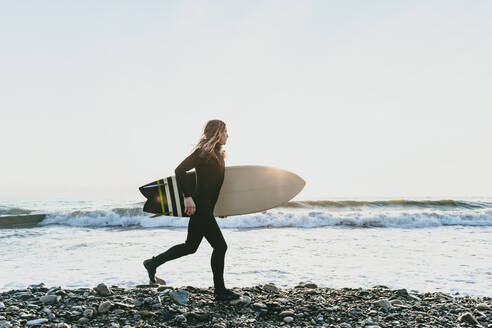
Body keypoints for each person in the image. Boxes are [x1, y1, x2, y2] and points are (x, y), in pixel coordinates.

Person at [143, 120, 240, 301]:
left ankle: (152, 263)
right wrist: (187, 197)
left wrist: (219, 208)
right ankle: (219, 290)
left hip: (206, 208)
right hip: (199, 206)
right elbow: (180, 170)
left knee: (190, 247)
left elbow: (213, 186)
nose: (228, 135)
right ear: (217, 133)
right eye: (226, 131)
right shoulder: (203, 153)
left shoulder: (219, 155)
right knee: (220, 246)